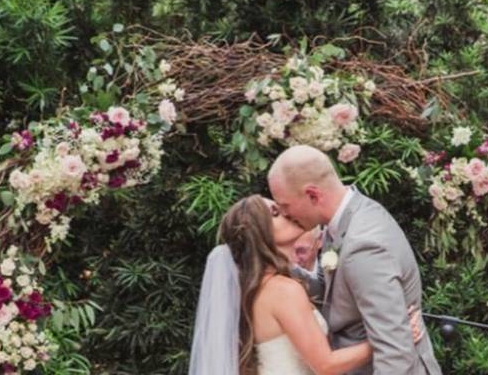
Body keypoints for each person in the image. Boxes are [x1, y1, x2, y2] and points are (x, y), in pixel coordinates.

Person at [188, 194, 424, 375]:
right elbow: (325, 364)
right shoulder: (282, 290)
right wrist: (391, 337)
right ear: (258, 232)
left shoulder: (258, 289)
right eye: (275, 213)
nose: (287, 212)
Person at [268, 145, 442, 375]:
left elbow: (395, 353)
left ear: (313, 195)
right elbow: (340, 296)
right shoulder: (345, 220)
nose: (287, 215)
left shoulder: (364, 245)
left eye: (285, 206)